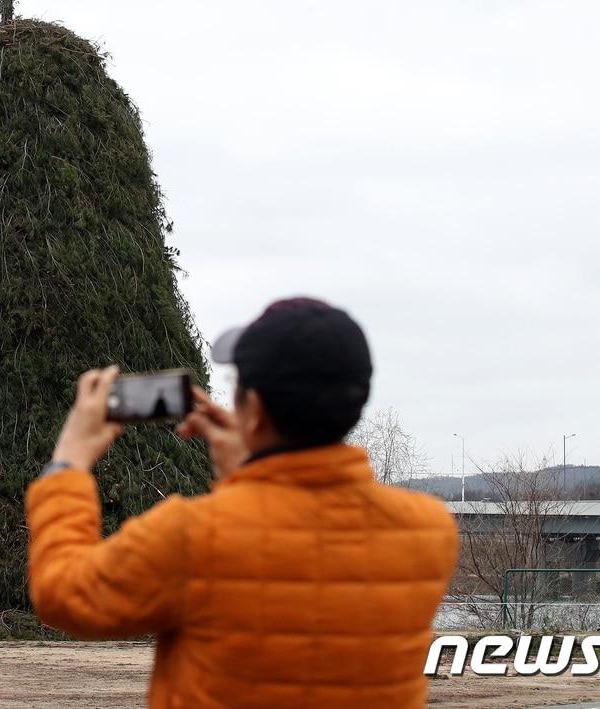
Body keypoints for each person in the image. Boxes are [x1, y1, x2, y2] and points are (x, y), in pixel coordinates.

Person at [26, 297, 459, 708]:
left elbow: (63, 593)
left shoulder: (192, 536)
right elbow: (303, 562)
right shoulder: (428, 530)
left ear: (253, 409)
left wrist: (69, 464)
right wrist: (248, 474)